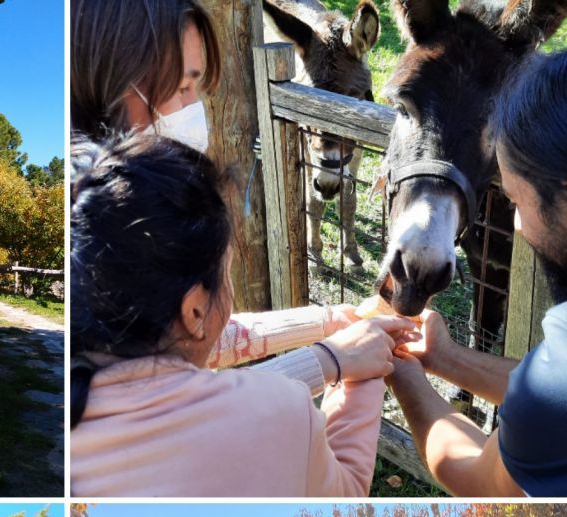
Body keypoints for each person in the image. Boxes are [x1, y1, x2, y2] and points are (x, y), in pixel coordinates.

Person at [71, 0, 412, 401]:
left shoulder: (111, 208)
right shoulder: (123, 229)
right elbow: (188, 389)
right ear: (107, 83)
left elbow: (208, 335)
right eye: (183, 87)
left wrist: (332, 320)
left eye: (196, 88)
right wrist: (339, 368)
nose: (195, 111)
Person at [70, 133, 418, 496]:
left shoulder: (83, 369)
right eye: (228, 272)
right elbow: (346, 493)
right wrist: (362, 370)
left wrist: (328, 326)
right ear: (194, 309)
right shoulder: (279, 414)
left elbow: (216, 339)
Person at [387, 51, 567, 497]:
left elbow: (478, 478)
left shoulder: (545, 403)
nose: (520, 227)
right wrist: (446, 358)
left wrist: (406, 378)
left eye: (517, 202)